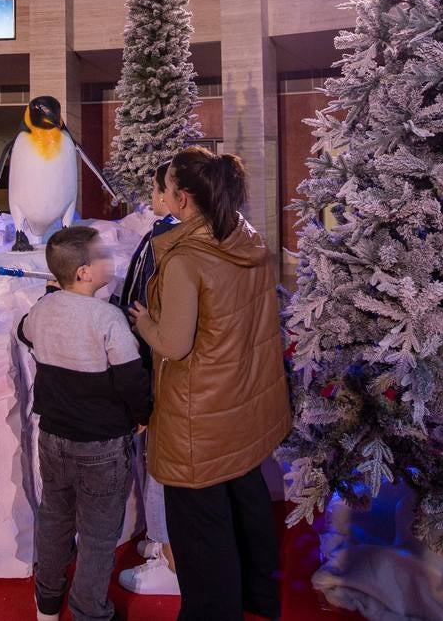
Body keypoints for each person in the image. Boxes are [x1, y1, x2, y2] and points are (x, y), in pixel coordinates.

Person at [130, 147, 291, 620]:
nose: (163, 196)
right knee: (244, 501)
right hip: (242, 405)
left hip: (198, 416)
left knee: (201, 529)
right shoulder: (247, 239)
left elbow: (174, 344)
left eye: (166, 189)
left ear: (181, 199)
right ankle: (257, 598)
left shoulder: (186, 260)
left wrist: (144, 322)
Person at [18, 225, 152, 621]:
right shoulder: (108, 318)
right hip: (102, 446)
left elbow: (25, 332)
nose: (110, 261)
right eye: (102, 256)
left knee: (55, 519)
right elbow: (131, 379)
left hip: (53, 438)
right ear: (83, 272)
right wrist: (142, 415)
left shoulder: (43, 309)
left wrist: (51, 300)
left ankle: (47, 603)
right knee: (97, 534)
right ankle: (90, 611)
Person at [114, 161, 180, 596]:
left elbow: (145, 306)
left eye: (158, 189)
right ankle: (165, 543)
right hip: (172, 367)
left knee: (160, 462)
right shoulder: (220, 233)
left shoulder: (167, 239)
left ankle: (171, 561)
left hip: (161, 366)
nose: (153, 197)